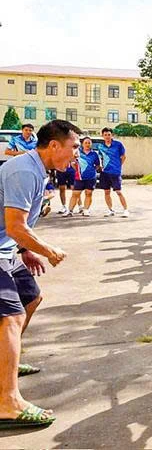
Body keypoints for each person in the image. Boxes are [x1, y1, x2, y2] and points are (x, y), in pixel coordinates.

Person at [0, 119, 79, 429]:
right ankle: (7, 402)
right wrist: (47, 250)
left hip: (7, 248)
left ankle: (6, 361)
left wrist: (25, 250)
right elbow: (17, 225)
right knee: (11, 316)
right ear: (55, 145)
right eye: (73, 147)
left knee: (31, 299)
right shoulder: (24, 170)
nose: (75, 154)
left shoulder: (38, 170)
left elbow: (14, 227)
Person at [97, 127, 129, 217]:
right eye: (105, 135)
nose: (107, 136)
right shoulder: (100, 146)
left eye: (109, 135)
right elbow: (100, 158)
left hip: (115, 172)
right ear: (102, 136)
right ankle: (110, 210)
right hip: (105, 173)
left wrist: (118, 166)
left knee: (118, 191)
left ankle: (126, 210)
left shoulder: (118, 145)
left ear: (112, 135)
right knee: (106, 192)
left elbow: (123, 157)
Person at [66, 136, 100, 217]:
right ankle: (70, 211)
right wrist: (77, 170)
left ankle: (86, 210)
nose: (87, 144)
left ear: (91, 144)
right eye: (86, 143)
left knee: (88, 193)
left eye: (89, 143)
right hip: (79, 177)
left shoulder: (94, 154)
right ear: (82, 144)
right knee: (75, 194)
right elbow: (72, 162)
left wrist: (92, 171)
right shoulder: (78, 152)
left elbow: (98, 165)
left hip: (91, 177)